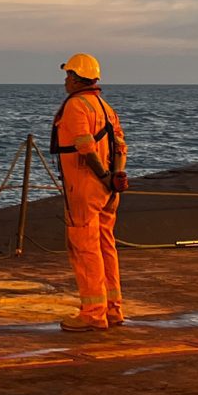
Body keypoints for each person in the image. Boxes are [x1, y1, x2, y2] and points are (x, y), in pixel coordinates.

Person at [51, 52, 129, 330]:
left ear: (74, 78)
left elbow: (85, 146)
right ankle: (113, 309)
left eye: (67, 75)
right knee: (106, 246)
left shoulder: (76, 106)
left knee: (85, 249)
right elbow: (120, 146)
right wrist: (116, 176)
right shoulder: (105, 107)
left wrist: (103, 176)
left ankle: (92, 313)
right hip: (108, 190)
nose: (65, 81)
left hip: (85, 185)